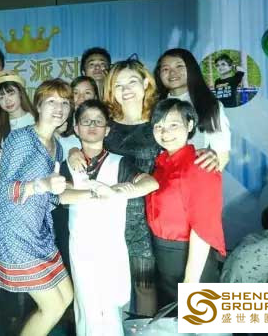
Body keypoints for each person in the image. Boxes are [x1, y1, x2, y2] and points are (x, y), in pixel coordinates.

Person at [58, 99, 158, 336]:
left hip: (112, 246)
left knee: (112, 305)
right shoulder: (68, 164)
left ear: (107, 129)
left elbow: (150, 183)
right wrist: (95, 193)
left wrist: (119, 191)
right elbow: (62, 195)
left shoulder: (119, 162)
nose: (92, 126)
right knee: (87, 307)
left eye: (98, 121)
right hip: (81, 247)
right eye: (86, 121)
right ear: (76, 128)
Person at [71, 58, 160, 316]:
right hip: (109, 215)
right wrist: (74, 151)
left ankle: (147, 330)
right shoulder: (109, 124)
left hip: (151, 215)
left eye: (132, 81)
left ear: (146, 83)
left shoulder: (160, 120)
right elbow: (90, 141)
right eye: (118, 84)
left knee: (145, 283)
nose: (125, 89)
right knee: (109, 284)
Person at [0, 79, 74, 336]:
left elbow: (52, 197)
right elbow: (4, 188)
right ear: (38, 105)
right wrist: (40, 184)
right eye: (51, 101)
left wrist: (91, 193)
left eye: (65, 103)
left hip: (39, 233)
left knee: (66, 298)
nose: (59, 108)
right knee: (52, 308)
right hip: (13, 232)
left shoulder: (57, 147)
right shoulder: (22, 138)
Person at [147, 98, 226, 309]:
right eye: (158, 126)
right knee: (173, 319)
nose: (165, 132)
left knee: (199, 319)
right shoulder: (161, 164)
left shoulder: (199, 166)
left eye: (173, 124)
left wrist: (190, 283)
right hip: (163, 255)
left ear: (190, 125)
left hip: (190, 257)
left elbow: (203, 228)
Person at [155, 48, 230, 171]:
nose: (172, 72)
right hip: (157, 177)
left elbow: (222, 154)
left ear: (191, 69)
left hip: (192, 176)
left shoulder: (209, 105)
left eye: (179, 66)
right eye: (165, 69)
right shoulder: (153, 105)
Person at [0, 71, 35, 202]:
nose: (7, 100)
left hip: (23, 191)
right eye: (1, 97)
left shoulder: (36, 122)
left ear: (20, 93)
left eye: (11, 93)